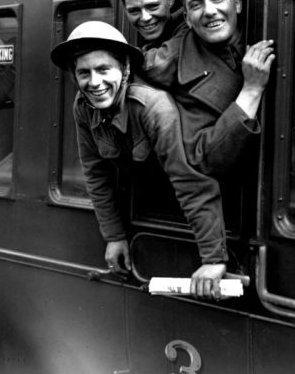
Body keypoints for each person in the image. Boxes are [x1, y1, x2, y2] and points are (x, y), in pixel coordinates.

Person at [51, 20, 228, 299]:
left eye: (103, 69)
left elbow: (188, 181)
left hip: (186, 211)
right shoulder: (83, 107)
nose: (94, 82)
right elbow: (96, 175)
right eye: (84, 73)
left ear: (125, 69)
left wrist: (213, 259)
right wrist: (114, 236)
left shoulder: (152, 106)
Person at [141, 0, 275, 176]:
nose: (210, 11)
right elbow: (202, 158)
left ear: (237, 4)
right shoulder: (177, 69)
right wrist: (251, 89)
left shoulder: (271, 29)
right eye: (196, 5)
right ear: (187, 19)